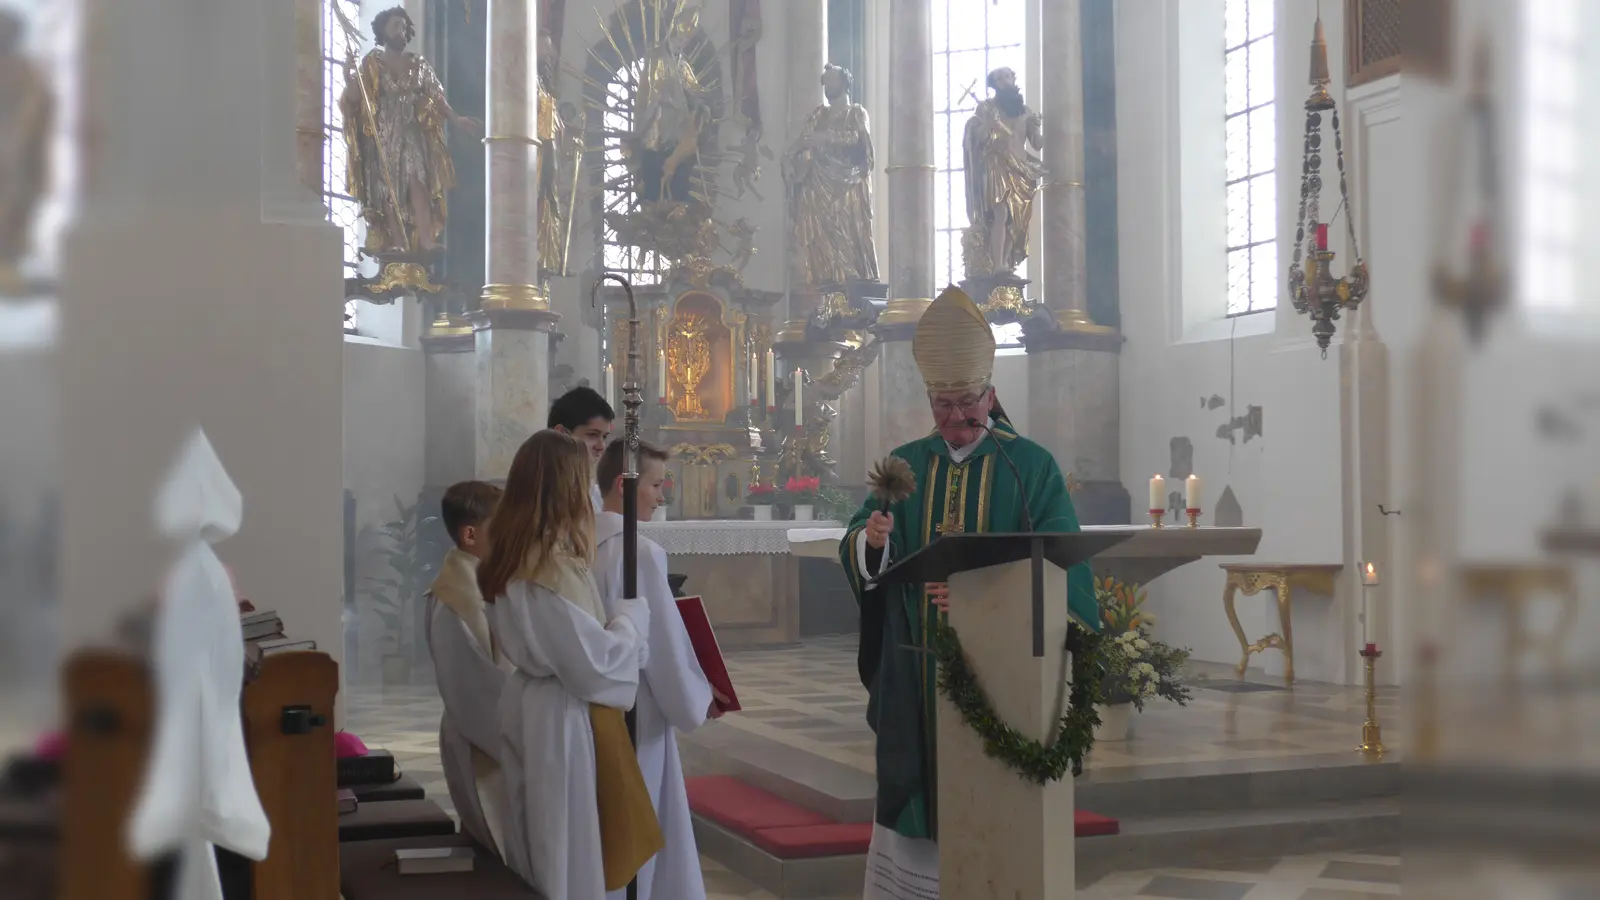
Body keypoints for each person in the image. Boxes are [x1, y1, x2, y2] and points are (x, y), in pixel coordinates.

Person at [836, 286, 1096, 900]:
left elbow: (1062, 563)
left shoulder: (1028, 466)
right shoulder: (906, 466)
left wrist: (986, 604)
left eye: (965, 404)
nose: (954, 419)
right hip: (917, 672)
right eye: (943, 405)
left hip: (1002, 675)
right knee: (920, 789)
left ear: (991, 394)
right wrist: (874, 540)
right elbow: (862, 547)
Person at [479, 430, 660, 899]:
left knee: (541, 843)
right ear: (564, 487)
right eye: (582, 481)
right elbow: (594, 665)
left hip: (535, 703)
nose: (588, 494)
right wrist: (630, 620)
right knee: (567, 853)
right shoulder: (548, 568)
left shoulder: (519, 555)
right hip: (562, 718)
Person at [592, 438, 726, 900]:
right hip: (640, 710)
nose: (662, 495)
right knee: (644, 820)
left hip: (593, 706)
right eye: (655, 484)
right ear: (623, 486)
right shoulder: (640, 553)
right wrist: (699, 697)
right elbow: (664, 648)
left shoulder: (578, 542)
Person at [424, 480, 510, 857]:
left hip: (488, 735)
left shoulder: (475, 582)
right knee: (501, 854)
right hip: (482, 742)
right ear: (470, 533)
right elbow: (475, 692)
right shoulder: (457, 599)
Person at [784, 63, 879, 287]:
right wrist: (787, 157)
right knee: (820, 229)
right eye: (824, 81)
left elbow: (859, 139)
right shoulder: (819, 114)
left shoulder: (856, 112)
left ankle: (850, 276)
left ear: (845, 82)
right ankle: (825, 274)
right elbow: (804, 139)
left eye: (831, 80)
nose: (827, 84)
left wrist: (827, 138)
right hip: (817, 182)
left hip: (846, 181)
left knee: (844, 226)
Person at [548, 386, 615, 512]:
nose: (601, 447)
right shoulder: (541, 491)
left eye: (604, 437)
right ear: (561, 434)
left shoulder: (595, 494)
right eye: (592, 435)